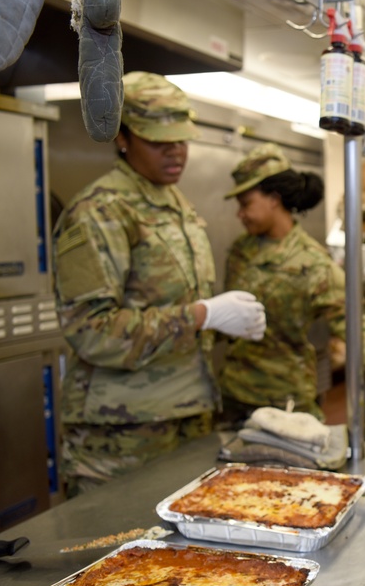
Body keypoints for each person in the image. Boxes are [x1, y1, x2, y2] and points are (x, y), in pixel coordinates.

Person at [52, 72, 266, 496]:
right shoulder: (101, 212)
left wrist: (223, 320)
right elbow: (92, 332)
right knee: (116, 556)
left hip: (187, 421)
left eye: (182, 139)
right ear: (123, 138)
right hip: (122, 439)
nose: (176, 152)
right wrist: (203, 315)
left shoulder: (174, 204)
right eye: (158, 140)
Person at [218, 142, 365, 426]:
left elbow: (351, 319)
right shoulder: (240, 251)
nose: (239, 214)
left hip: (285, 400)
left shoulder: (312, 262)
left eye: (246, 204)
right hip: (234, 396)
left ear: (274, 198)